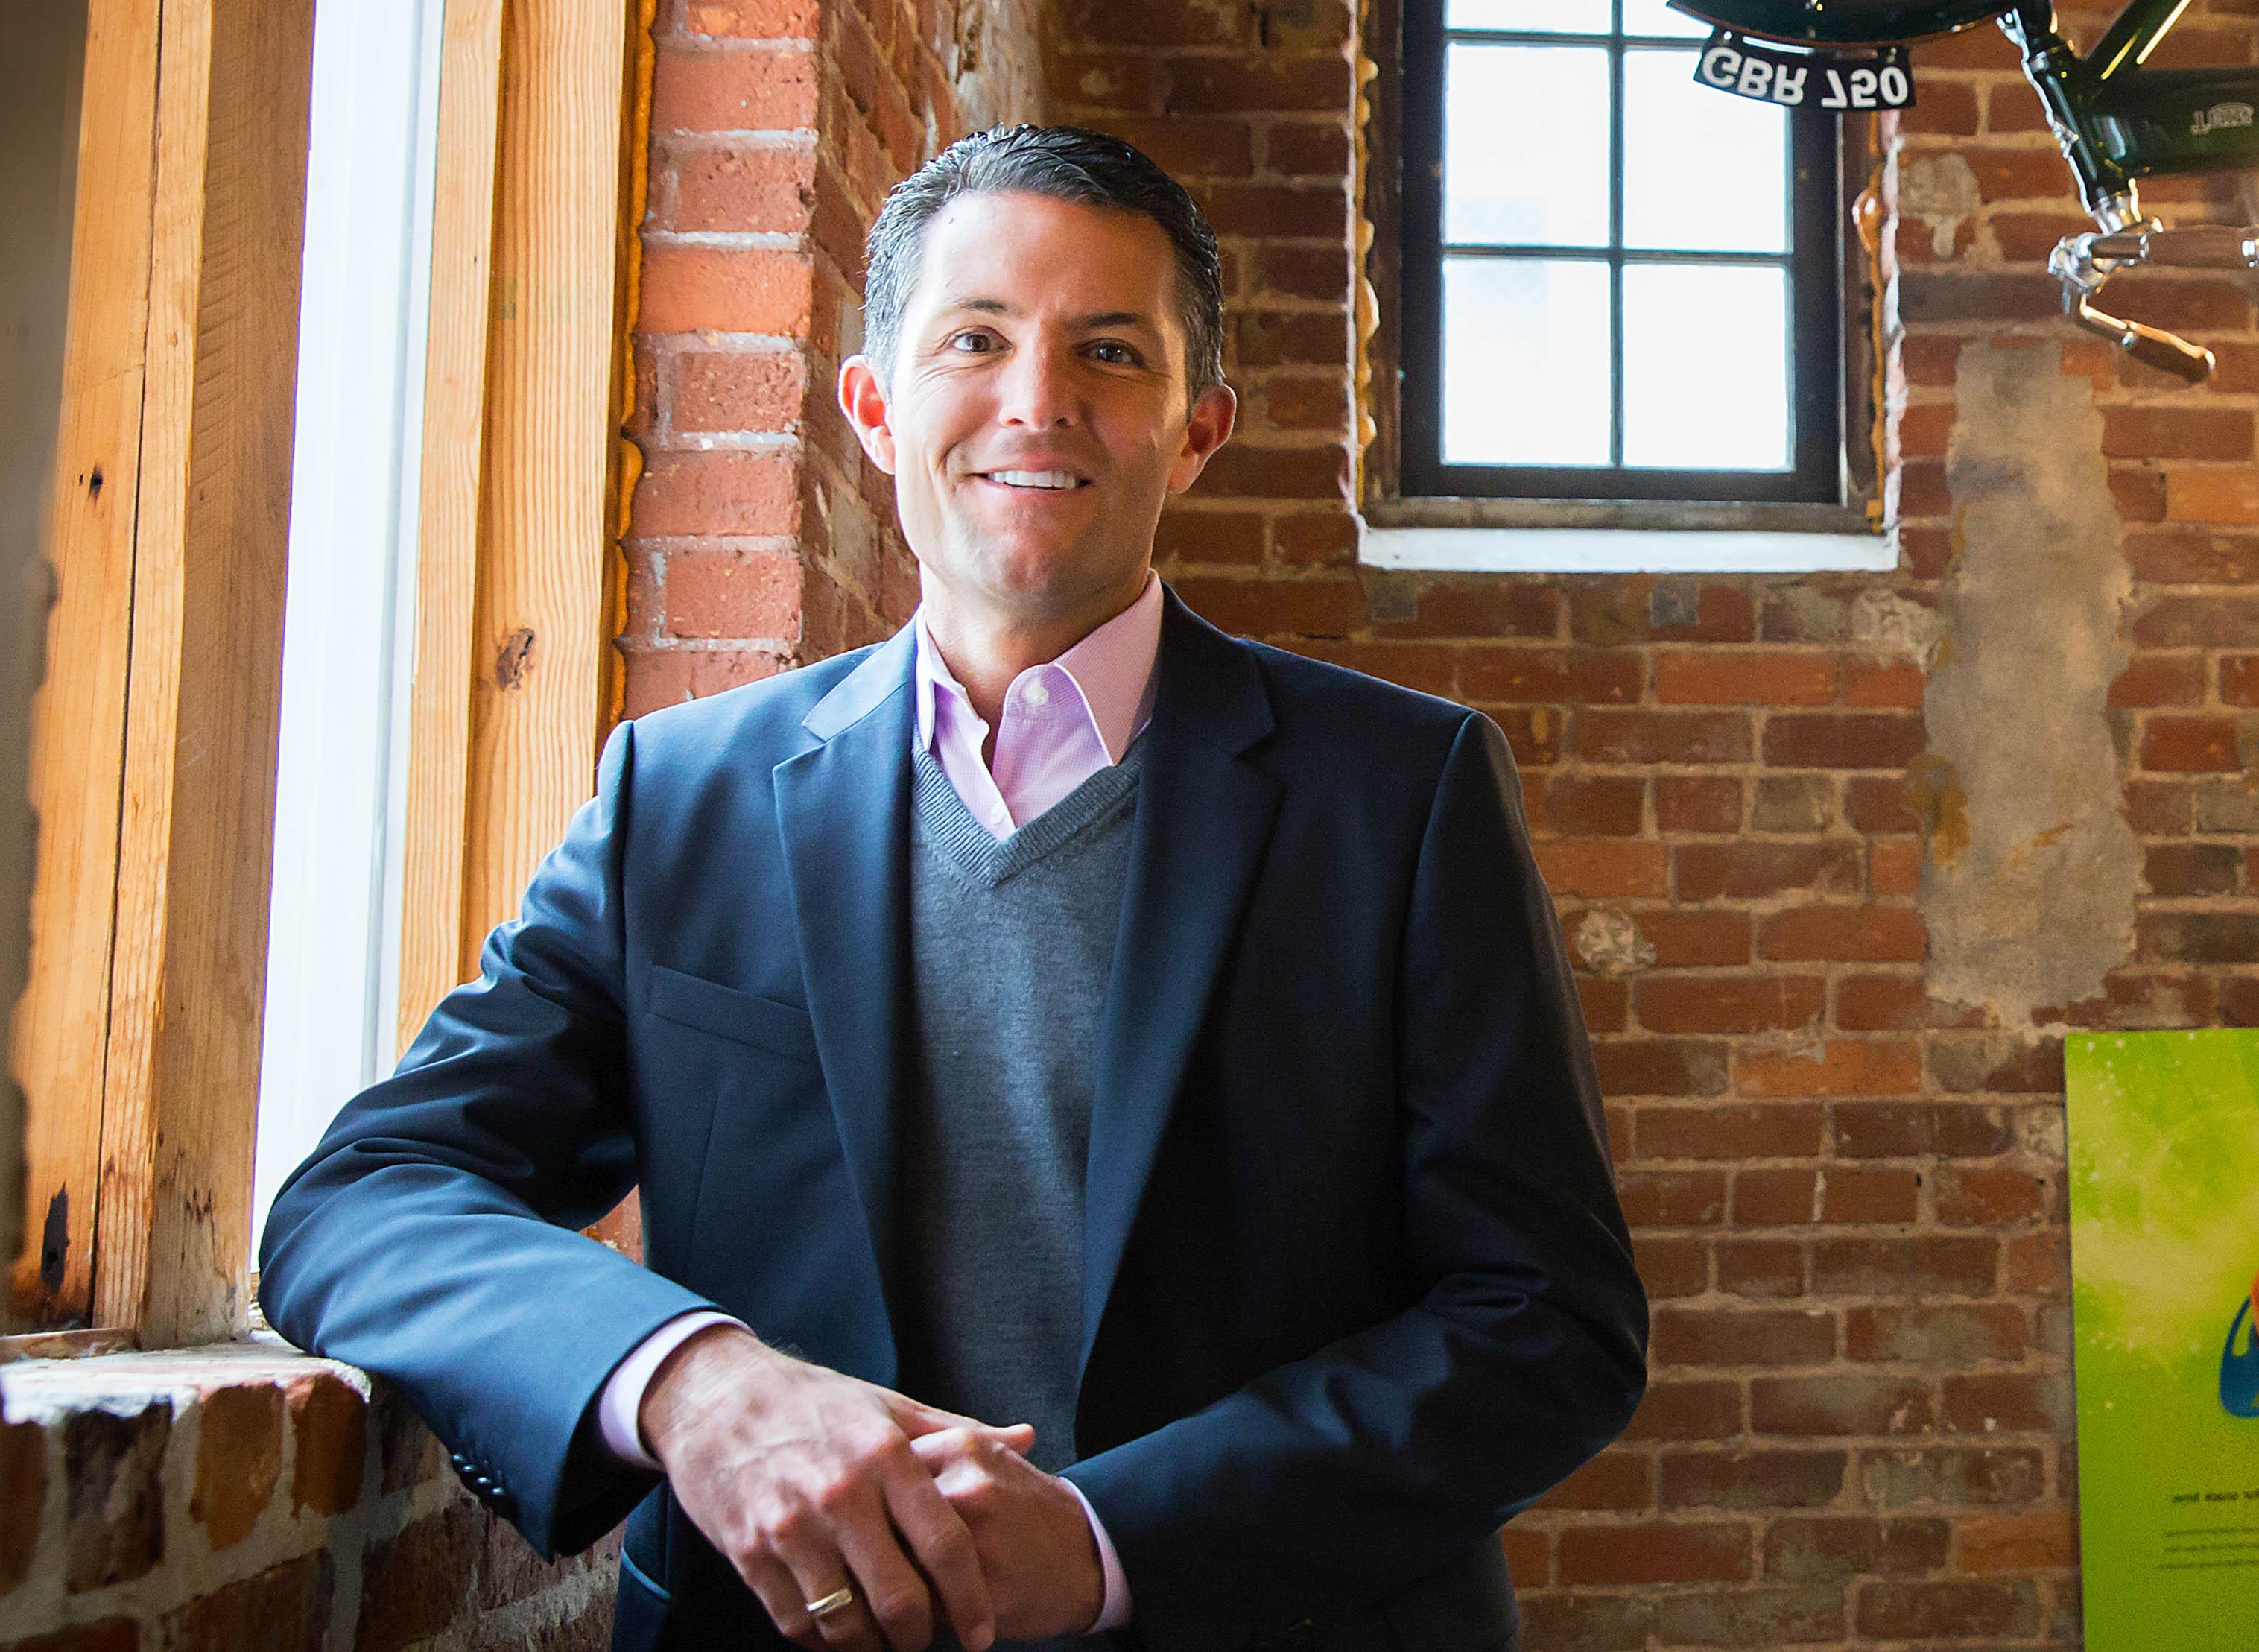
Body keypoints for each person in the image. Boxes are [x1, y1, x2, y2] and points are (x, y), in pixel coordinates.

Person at [262, 125, 1645, 1652]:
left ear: (1198, 430)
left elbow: (1546, 1322)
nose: (1037, 400)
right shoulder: (683, 799)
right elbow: (358, 1203)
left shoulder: (1404, 793)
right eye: (973, 340)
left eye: (1110, 352)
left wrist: (1111, 1545)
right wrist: (690, 1380)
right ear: (872, 406)